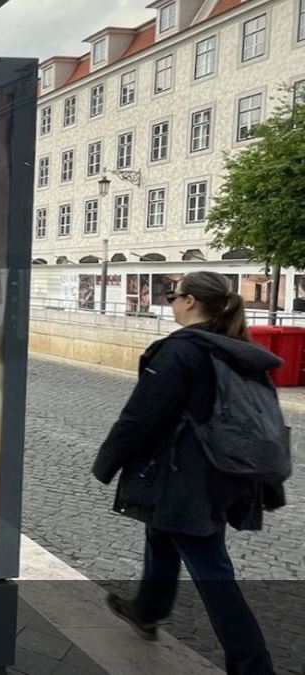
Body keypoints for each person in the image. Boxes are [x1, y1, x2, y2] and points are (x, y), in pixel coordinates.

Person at [93, 271, 285, 675]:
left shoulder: (181, 352)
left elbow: (141, 415)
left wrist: (107, 460)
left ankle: (253, 665)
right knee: (161, 532)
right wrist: (267, 482)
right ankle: (147, 612)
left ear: (191, 300)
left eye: (172, 295)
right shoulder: (237, 350)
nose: (171, 301)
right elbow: (265, 423)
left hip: (188, 479)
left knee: (211, 567)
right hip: (225, 473)